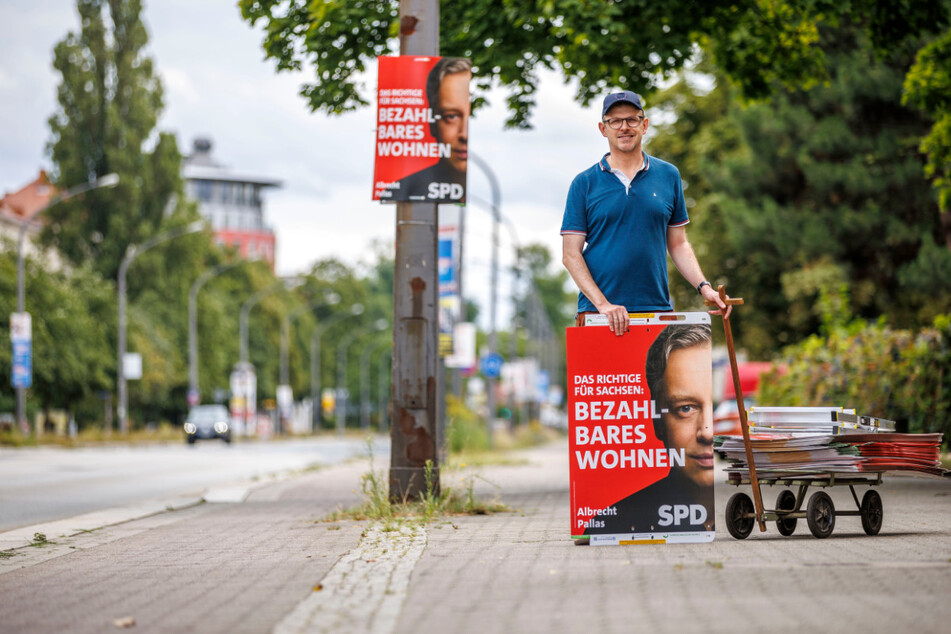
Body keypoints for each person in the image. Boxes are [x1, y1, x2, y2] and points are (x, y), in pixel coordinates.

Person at [561, 90, 729, 334]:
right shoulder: (584, 183)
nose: (624, 127)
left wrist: (704, 287)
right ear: (602, 128)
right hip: (598, 315)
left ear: (644, 124)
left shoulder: (668, 175)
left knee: (656, 375)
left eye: (632, 119)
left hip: (656, 311)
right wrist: (603, 304)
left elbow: (679, 244)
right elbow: (570, 255)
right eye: (615, 121)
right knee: (609, 375)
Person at [587, 323, 715, 535]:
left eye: (716, 407)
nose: (708, 432)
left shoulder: (745, 514)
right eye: (685, 408)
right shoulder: (612, 524)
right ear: (657, 420)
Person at [393, 57, 471, 203]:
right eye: (452, 116)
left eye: (472, 117)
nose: (465, 134)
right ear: (432, 122)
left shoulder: (495, 187)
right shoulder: (404, 189)